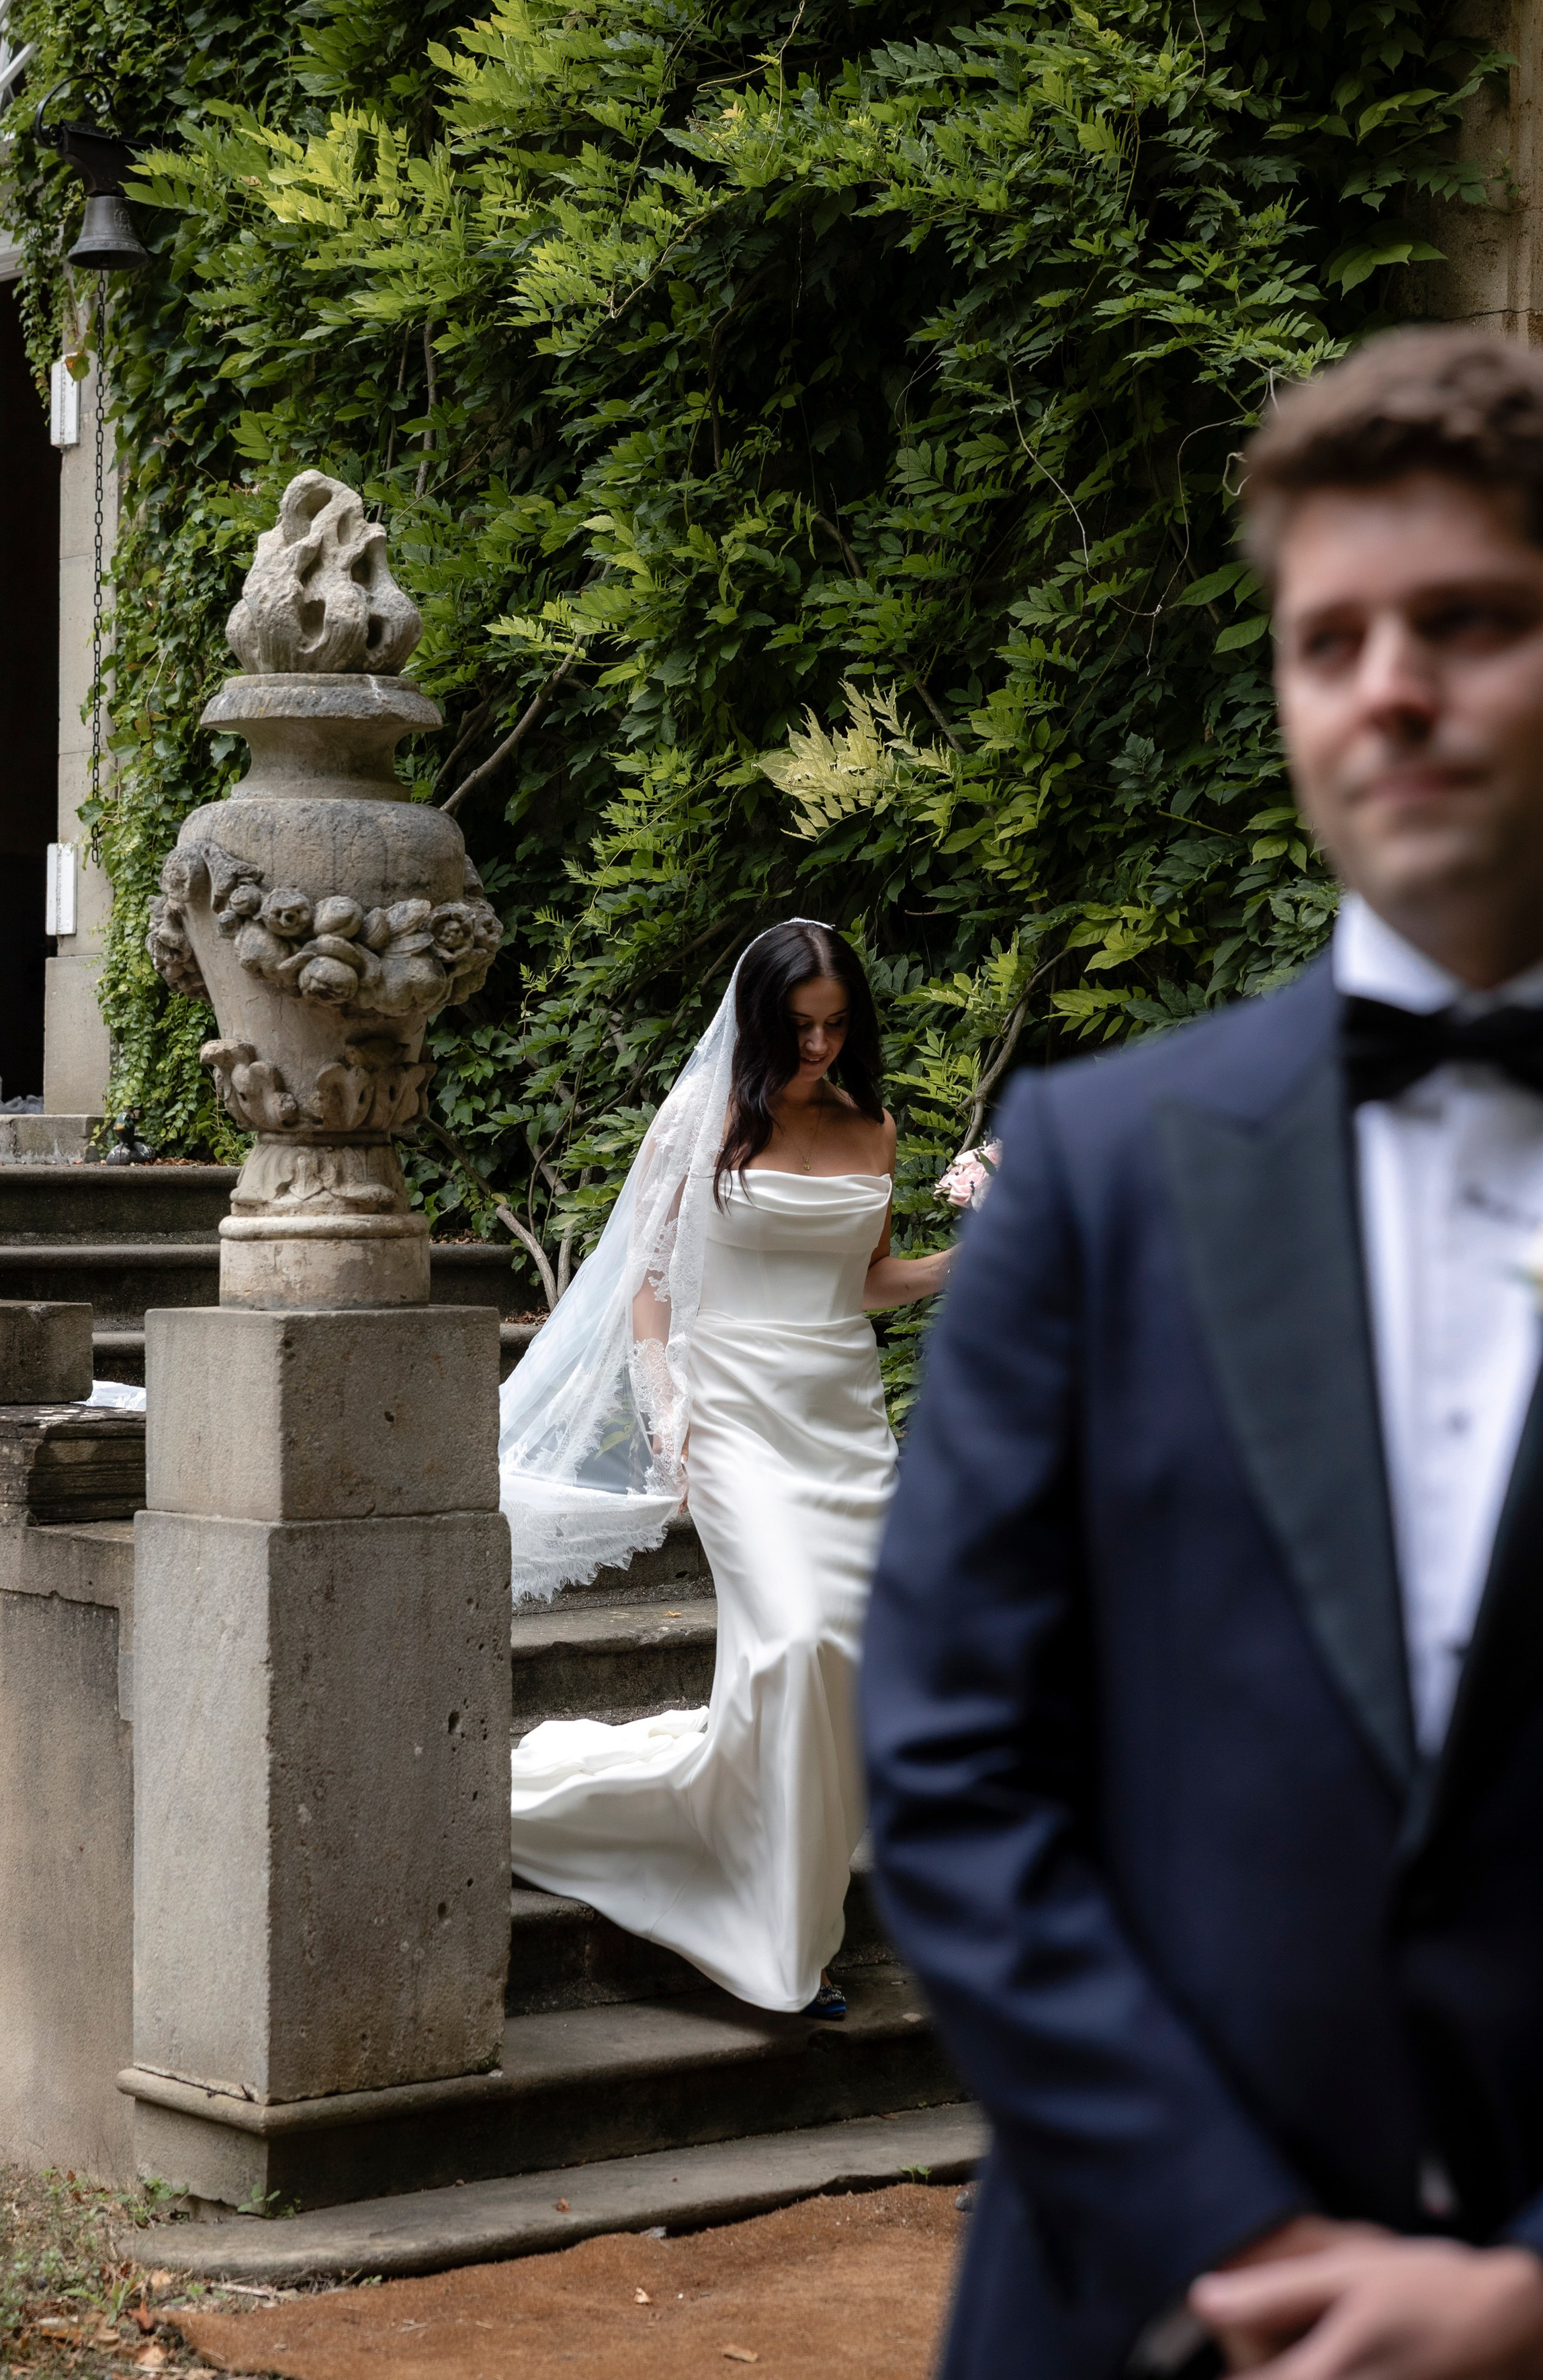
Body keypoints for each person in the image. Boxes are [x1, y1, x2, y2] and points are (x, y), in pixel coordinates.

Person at [863, 328, 1543, 2379]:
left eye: (1469, 622)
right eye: (1329, 642)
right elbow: (951, 1767)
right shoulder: (1092, 1170)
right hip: (1142, 2317)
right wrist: (1234, 2245)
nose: (1389, 688)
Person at [501, 919, 952, 2014]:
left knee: (842, 1655)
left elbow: (867, 1279)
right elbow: (647, 1276)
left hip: (840, 1420)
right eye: (799, 1027)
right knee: (793, 1638)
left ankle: (771, 1865)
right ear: (759, 1022)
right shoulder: (703, 1120)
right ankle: (781, 1946)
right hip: (734, 1417)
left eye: (838, 1026)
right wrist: (670, 1407)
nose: (819, 1047)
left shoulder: (873, 1125)